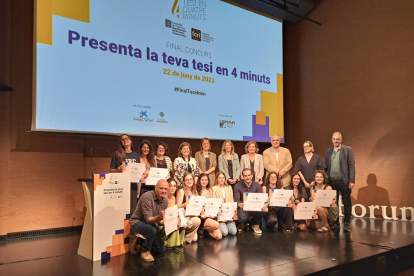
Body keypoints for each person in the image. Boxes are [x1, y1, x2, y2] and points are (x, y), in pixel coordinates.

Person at [129, 179, 168, 262]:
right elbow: (148, 219)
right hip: (137, 222)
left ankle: (139, 240)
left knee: (161, 249)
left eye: (165, 189)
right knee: (152, 230)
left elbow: (159, 221)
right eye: (161, 188)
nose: (163, 191)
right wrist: (158, 217)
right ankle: (145, 251)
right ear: (155, 187)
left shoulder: (165, 201)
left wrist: (165, 222)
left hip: (150, 224)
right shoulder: (147, 197)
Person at [324, 132, 355, 232]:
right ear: (331, 139)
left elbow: (351, 165)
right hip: (332, 181)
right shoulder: (328, 151)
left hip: (344, 181)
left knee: (346, 202)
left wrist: (351, 180)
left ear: (341, 140)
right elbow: (326, 167)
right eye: (334, 139)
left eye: (337, 139)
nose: (335, 141)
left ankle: (347, 223)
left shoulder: (347, 150)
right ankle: (335, 221)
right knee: (334, 203)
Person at [109, 134, 140, 214]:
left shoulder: (136, 155)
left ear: (131, 141)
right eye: (122, 140)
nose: (125, 140)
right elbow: (111, 171)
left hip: (133, 186)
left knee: (132, 209)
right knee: (121, 209)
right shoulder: (116, 154)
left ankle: (131, 226)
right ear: (121, 142)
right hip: (121, 186)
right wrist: (118, 169)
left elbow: (139, 171)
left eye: (126, 138)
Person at [233, 168, 265, 234]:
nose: (247, 177)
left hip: (254, 208)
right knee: (243, 217)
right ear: (243, 177)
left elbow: (260, 199)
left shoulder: (257, 185)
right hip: (243, 208)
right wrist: (239, 204)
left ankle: (255, 224)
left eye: (249, 175)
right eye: (245, 176)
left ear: (252, 175)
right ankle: (239, 224)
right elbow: (236, 201)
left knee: (264, 209)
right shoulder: (237, 186)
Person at [175, 173, 202, 243]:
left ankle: (184, 237)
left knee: (195, 239)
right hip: (183, 217)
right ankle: (184, 240)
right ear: (184, 181)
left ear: (193, 180)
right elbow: (177, 206)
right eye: (187, 180)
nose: (189, 181)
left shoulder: (195, 191)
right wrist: (185, 204)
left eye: (190, 179)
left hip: (191, 216)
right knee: (197, 220)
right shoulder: (181, 191)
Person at [195, 173, 222, 240]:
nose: (204, 182)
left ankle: (205, 229)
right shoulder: (196, 191)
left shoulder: (211, 190)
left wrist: (213, 215)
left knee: (219, 236)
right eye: (202, 180)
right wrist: (201, 215)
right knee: (217, 225)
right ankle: (201, 228)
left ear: (208, 181)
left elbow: (212, 204)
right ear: (199, 181)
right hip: (200, 216)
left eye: (206, 180)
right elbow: (195, 206)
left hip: (209, 216)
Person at [161, 178, 185, 248]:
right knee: (175, 225)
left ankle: (178, 244)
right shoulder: (162, 198)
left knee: (182, 226)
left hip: (170, 219)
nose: (172, 188)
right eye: (170, 185)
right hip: (162, 221)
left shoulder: (174, 198)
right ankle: (167, 243)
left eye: (174, 186)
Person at [212, 172, 237, 236]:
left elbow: (232, 202)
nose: (221, 179)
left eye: (223, 178)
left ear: (225, 179)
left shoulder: (229, 188)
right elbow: (214, 205)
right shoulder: (213, 189)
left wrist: (232, 216)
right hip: (220, 217)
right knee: (225, 233)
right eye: (220, 178)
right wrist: (220, 218)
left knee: (234, 232)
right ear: (217, 179)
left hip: (228, 215)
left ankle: (227, 224)